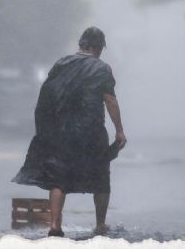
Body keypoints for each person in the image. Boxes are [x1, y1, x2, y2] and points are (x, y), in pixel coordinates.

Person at [12, 26, 126, 238]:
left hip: (62, 132)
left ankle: (55, 226)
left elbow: (46, 96)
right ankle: (100, 226)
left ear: (81, 45)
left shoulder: (61, 64)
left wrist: (45, 130)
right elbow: (110, 100)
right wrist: (119, 130)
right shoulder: (102, 68)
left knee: (59, 178)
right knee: (100, 177)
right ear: (98, 47)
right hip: (91, 132)